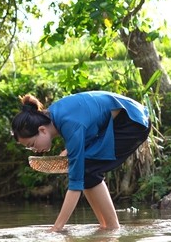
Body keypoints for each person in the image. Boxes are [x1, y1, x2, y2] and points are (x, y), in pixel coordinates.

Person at [11, 91, 151, 232]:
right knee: (87, 170)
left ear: (42, 130)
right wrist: (69, 150)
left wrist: (57, 228)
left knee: (88, 170)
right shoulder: (53, 116)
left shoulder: (69, 124)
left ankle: (112, 227)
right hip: (120, 120)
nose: (34, 149)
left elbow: (75, 185)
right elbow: (85, 125)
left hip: (134, 121)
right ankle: (105, 226)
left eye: (31, 144)